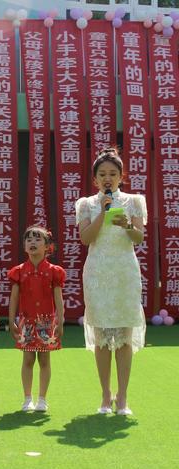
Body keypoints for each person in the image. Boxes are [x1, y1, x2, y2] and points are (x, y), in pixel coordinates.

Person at [76, 147, 147, 416]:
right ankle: (106, 396)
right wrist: (101, 214)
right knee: (103, 336)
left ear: (121, 176)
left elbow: (138, 237)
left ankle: (123, 398)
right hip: (97, 273)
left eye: (113, 174)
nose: (108, 178)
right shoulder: (86, 204)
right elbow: (86, 239)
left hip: (124, 272)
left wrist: (125, 224)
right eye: (102, 174)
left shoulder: (134, 201)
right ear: (95, 179)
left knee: (124, 336)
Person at [7, 226, 65, 412]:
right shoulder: (19, 271)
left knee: (45, 361)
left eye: (38, 239)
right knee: (28, 360)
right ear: (24, 246)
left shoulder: (54, 271)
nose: (32, 242)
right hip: (26, 322)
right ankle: (27, 398)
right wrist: (11, 320)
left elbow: (58, 298)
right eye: (29, 240)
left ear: (47, 246)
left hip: (46, 322)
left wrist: (60, 321)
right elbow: (14, 298)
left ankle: (42, 399)